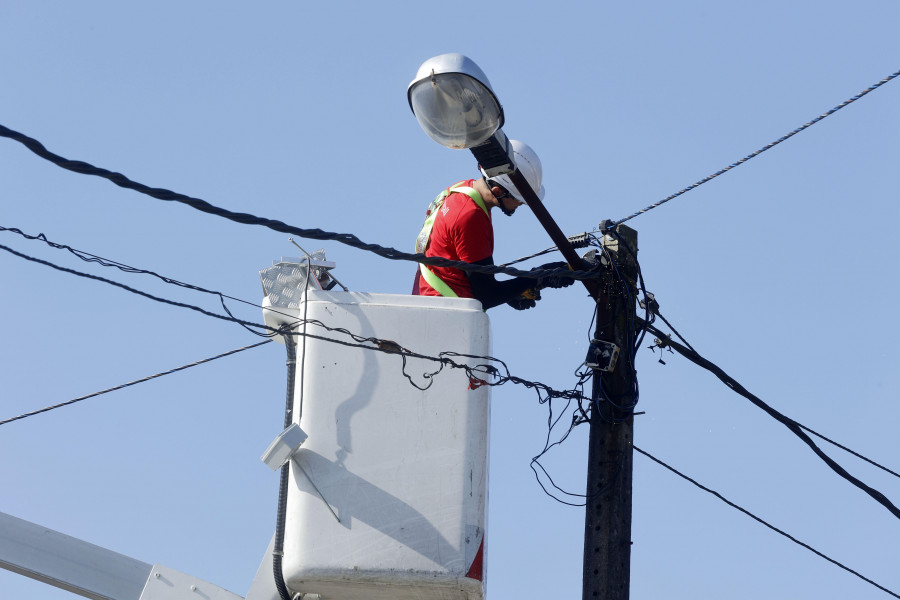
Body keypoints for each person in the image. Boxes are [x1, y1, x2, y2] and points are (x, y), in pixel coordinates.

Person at [412, 140, 573, 310]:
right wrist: (540, 275)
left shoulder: (460, 191)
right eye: (519, 199)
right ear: (498, 191)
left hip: (429, 302)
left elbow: (474, 279)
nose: (521, 204)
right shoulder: (470, 216)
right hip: (447, 314)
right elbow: (488, 295)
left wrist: (513, 291)